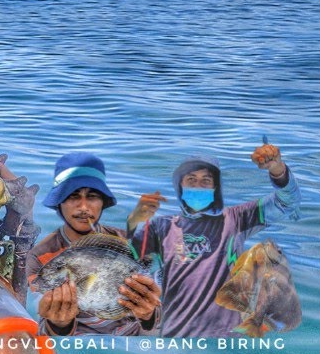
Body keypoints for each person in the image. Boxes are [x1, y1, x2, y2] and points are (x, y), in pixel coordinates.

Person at [126, 143, 302, 338]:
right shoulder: (161, 227)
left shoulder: (236, 219)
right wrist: (133, 222)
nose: (198, 186)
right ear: (180, 186)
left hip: (227, 343)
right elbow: (127, 263)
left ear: (215, 186)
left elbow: (287, 202)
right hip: (175, 340)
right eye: (191, 180)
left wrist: (277, 170)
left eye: (206, 180)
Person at [28, 152, 161, 336]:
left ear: (103, 202)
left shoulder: (132, 245)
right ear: (59, 202)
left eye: (92, 196)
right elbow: (37, 321)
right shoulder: (38, 256)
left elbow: (156, 312)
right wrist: (59, 324)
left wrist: (149, 314)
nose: (83, 207)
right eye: (73, 196)